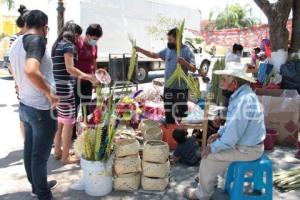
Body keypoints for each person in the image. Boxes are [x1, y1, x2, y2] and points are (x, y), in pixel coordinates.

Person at [184, 62, 266, 200]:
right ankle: (210, 180)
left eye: (224, 80)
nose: (220, 83)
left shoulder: (243, 100)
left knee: (208, 155)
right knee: (214, 146)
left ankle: (202, 194)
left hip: (248, 150)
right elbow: (232, 126)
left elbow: (233, 135)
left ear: (234, 83)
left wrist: (213, 147)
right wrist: (219, 134)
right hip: (247, 145)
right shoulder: (242, 95)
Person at [9, 10, 58, 200]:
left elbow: (14, 70)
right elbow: (30, 70)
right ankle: (43, 194)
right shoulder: (36, 40)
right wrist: (50, 94)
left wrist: (21, 86)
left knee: (30, 151)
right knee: (39, 156)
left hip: (26, 105)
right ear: (44, 27)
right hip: (40, 108)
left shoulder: (16, 44)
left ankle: (37, 187)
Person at [52, 21, 99, 164]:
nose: (79, 39)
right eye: (78, 36)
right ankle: (65, 158)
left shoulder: (57, 44)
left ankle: (58, 151)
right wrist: (89, 77)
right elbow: (70, 69)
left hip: (58, 88)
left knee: (60, 121)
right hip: (66, 89)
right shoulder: (68, 46)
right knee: (69, 123)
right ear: (75, 34)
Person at [136, 28, 197, 124]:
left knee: (181, 113)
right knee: (168, 111)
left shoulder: (187, 51)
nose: (168, 42)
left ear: (178, 39)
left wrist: (184, 62)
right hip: (168, 87)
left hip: (180, 88)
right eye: (168, 39)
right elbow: (154, 55)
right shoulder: (169, 49)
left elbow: (193, 69)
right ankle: (169, 131)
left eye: (170, 40)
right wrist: (140, 50)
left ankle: (180, 134)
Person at [8, 5, 30, 140]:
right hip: (21, 79)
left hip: (29, 79)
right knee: (24, 111)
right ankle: (26, 140)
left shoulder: (33, 37)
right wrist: (17, 81)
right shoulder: (14, 39)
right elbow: (11, 63)